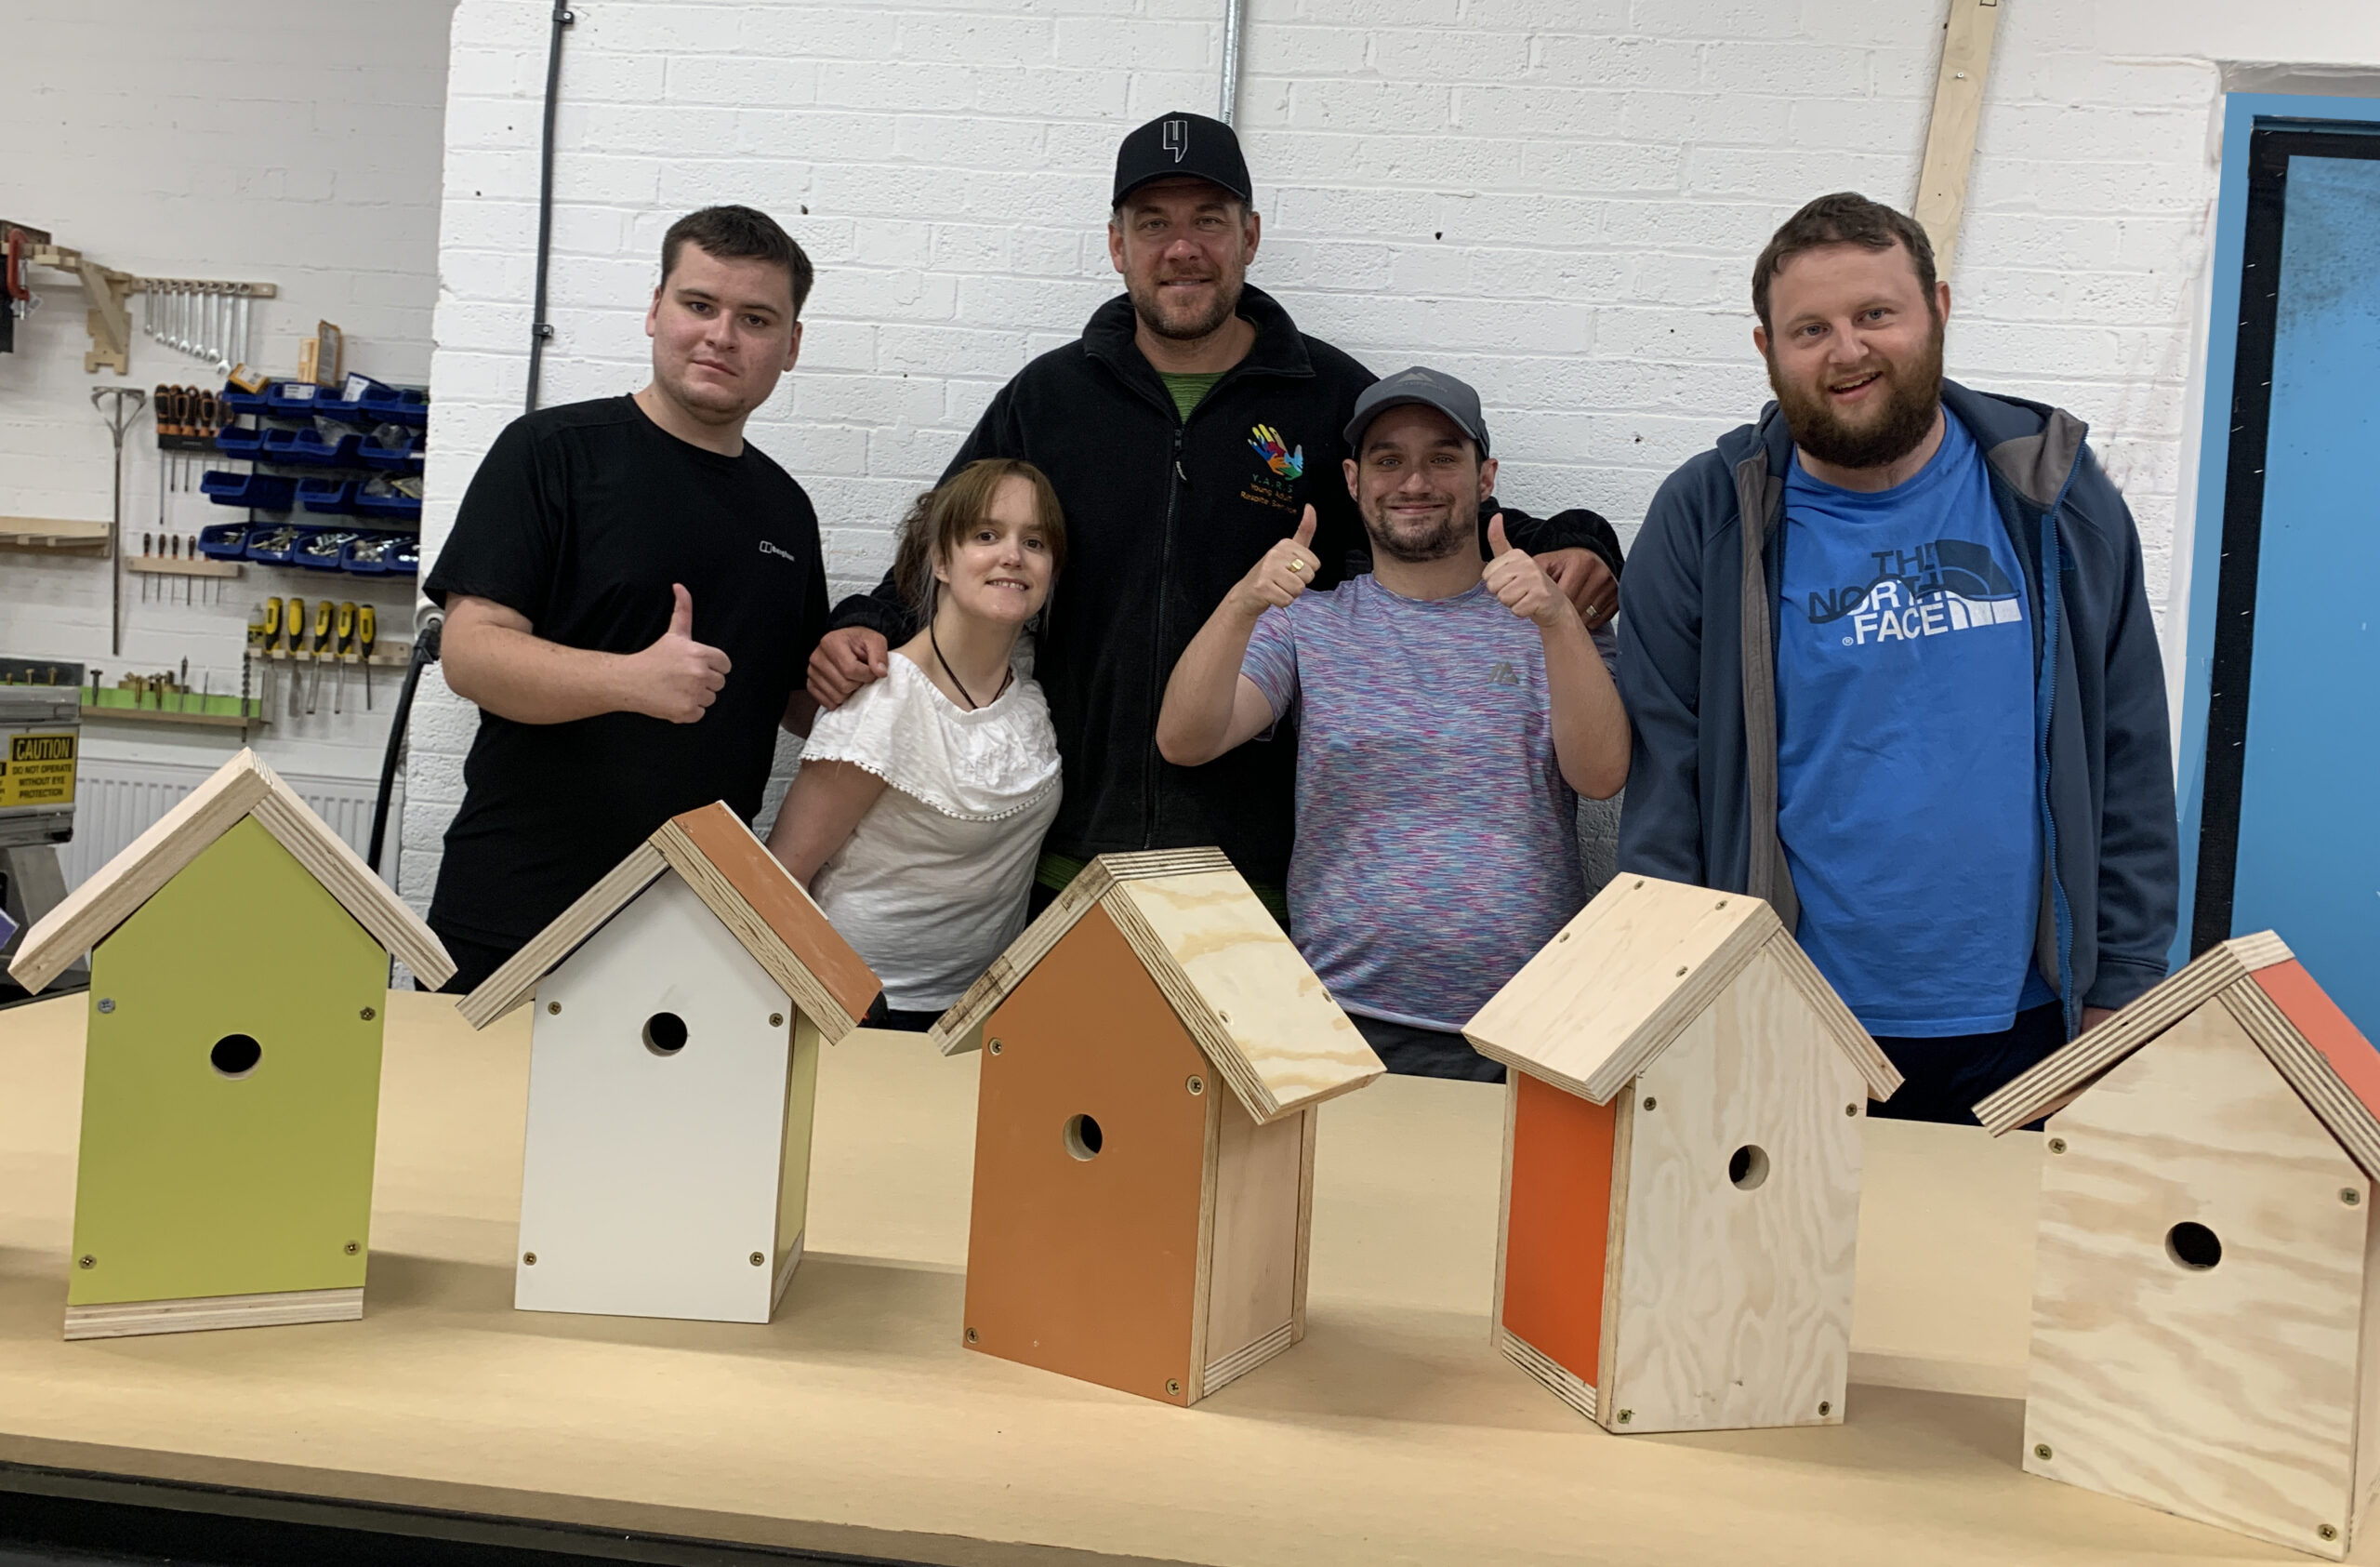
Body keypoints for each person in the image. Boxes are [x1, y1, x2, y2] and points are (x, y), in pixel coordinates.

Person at [804, 112, 1623, 918]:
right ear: (1119, 244)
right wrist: (868, 620)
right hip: (1072, 852)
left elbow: (1423, 502)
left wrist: (1578, 540)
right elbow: (949, 543)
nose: (1182, 247)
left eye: (1209, 220)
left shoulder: (1323, 393)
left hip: (1255, 871)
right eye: (1154, 223)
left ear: (1250, 236)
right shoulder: (1050, 400)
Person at [1616, 192, 2178, 1122]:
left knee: (1993, 1270)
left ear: (1938, 311)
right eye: (1810, 328)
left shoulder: (2053, 494)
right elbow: (1667, 784)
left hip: (2030, 1023)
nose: (1847, 350)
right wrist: (1671, 1000)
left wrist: (2122, 983)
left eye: (1876, 314)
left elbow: (2127, 752)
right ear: (1766, 349)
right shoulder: (1710, 515)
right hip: (1786, 1016)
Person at [1157, 369, 1628, 1080]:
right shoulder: (1306, 623)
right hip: (1340, 1018)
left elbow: (1600, 775)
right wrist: (1243, 602)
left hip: (1529, 1022)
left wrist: (1558, 620)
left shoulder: (1549, 618)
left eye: (1443, 457)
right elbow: (1185, 739)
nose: (1415, 480)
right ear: (1352, 479)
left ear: (1485, 476)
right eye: (1388, 459)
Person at [423, 205, 827, 993]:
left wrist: (864, 653)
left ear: (790, 346)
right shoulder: (551, 454)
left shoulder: (786, 510)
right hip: (517, 909)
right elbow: (470, 653)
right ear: (654, 310)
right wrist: (632, 681)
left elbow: (797, 704)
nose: (720, 335)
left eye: (755, 318)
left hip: (693, 923)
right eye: (698, 305)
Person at [766, 460, 1065, 1030]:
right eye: (986, 535)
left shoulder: (1029, 698)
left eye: (1034, 541)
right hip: (862, 1012)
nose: (1013, 556)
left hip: (981, 1016)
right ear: (940, 559)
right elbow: (781, 877)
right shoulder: (884, 699)